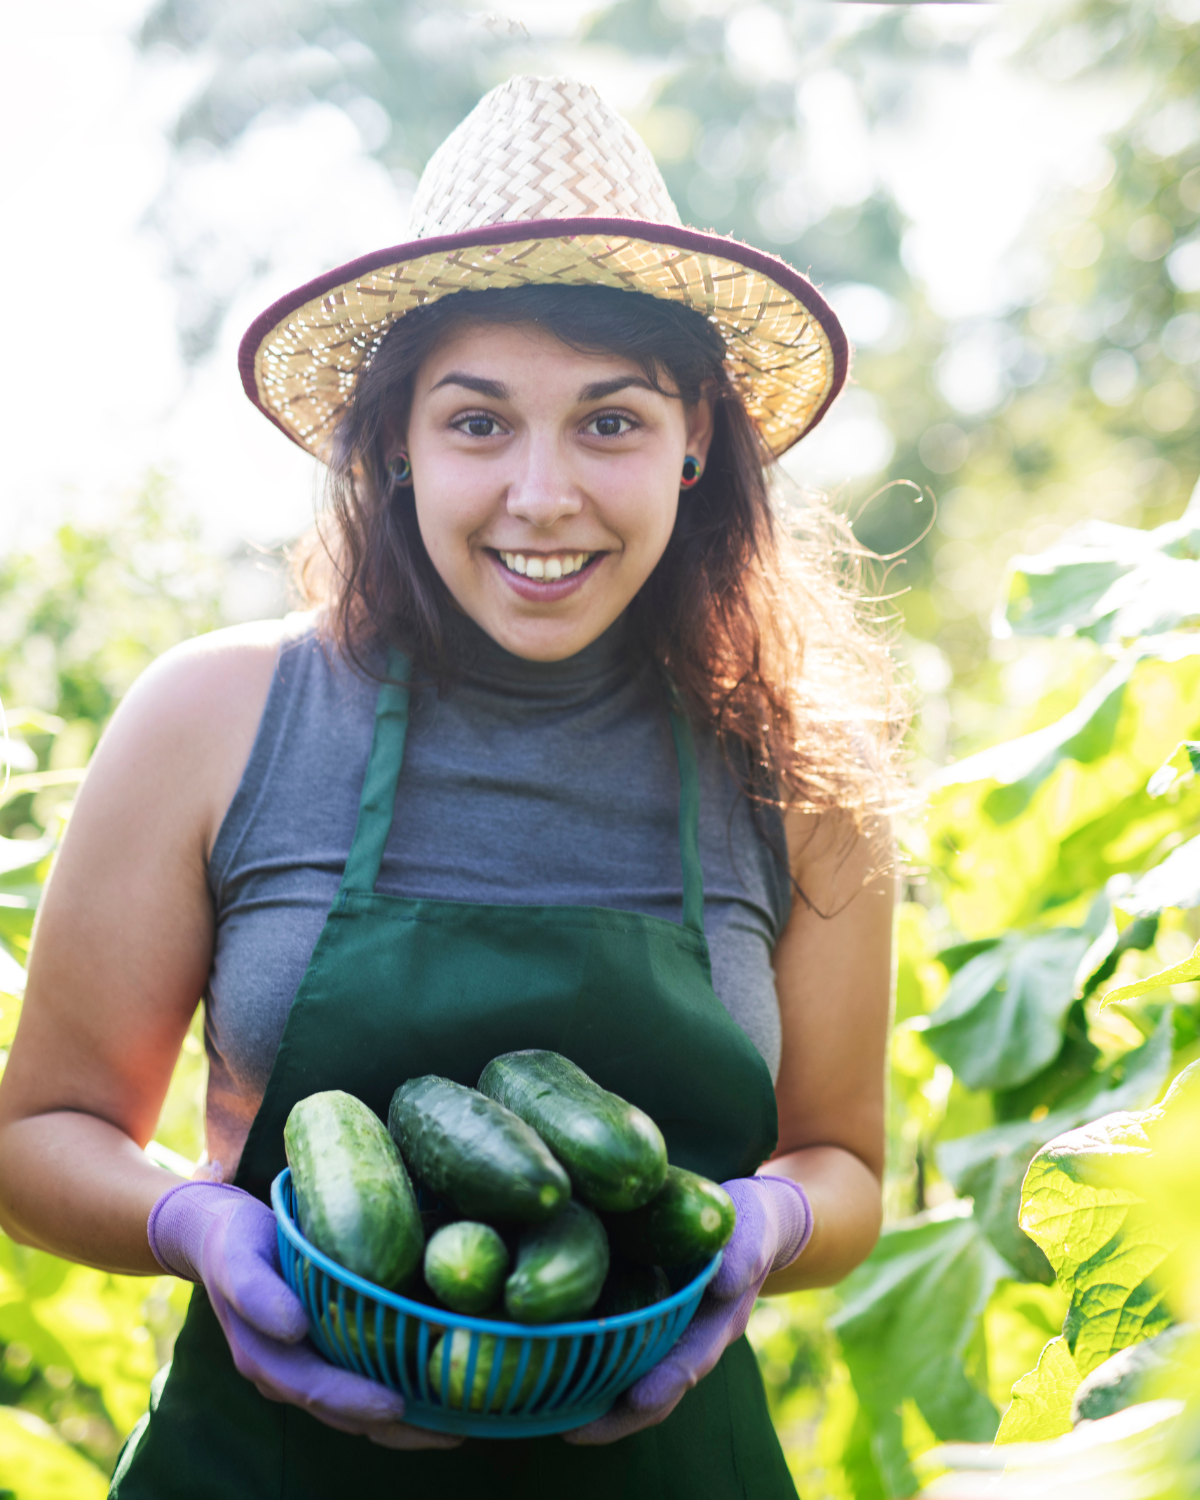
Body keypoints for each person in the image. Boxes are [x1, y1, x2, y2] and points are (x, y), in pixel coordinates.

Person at [0, 76, 901, 1498]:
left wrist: (772, 1224)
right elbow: (39, 1137)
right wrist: (196, 1230)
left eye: (609, 422)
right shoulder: (218, 719)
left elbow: (844, 1158)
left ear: (698, 437)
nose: (542, 494)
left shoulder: (800, 774)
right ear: (396, 441)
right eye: (479, 423)